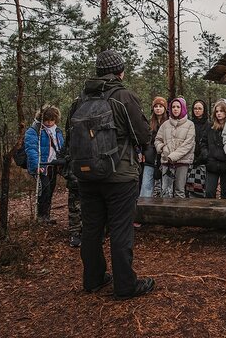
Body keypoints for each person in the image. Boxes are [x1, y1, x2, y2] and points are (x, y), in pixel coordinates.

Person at [69, 49, 154, 299]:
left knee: (91, 229)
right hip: (120, 176)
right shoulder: (123, 96)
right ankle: (125, 286)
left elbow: (71, 137)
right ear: (120, 71)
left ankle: (93, 279)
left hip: (86, 176)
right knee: (120, 230)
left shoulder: (80, 100)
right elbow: (143, 135)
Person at [24, 105, 64, 225]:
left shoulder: (57, 130)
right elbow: (31, 149)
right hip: (41, 166)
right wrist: (36, 165)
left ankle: (46, 216)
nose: (49, 122)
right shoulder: (34, 131)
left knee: (50, 190)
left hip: (53, 165)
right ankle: (40, 217)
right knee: (44, 190)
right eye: (46, 120)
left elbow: (61, 147)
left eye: (52, 120)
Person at [155, 97, 195, 199]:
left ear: (183, 108)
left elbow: (188, 144)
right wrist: (162, 148)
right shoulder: (165, 124)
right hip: (166, 162)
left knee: (179, 191)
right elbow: (157, 140)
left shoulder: (190, 124)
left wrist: (173, 156)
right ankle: (166, 214)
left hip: (182, 162)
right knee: (166, 191)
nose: (175, 109)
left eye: (178, 107)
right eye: (173, 107)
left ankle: (179, 214)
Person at [202, 99, 226, 199]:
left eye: (221, 111)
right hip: (212, 164)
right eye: (217, 111)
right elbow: (203, 142)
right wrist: (206, 155)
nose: (219, 113)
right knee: (209, 192)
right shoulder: (210, 126)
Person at [140, 97, 168, 198]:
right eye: (156, 106)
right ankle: (144, 208)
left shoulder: (168, 123)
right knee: (146, 186)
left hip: (164, 159)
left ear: (165, 108)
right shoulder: (149, 123)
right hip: (150, 158)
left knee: (165, 188)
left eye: (160, 106)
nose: (158, 108)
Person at [188, 99, 210, 197]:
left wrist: (203, 156)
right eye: (195, 108)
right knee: (190, 187)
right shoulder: (189, 123)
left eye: (200, 108)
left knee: (203, 188)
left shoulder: (209, 124)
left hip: (204, 161)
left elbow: (208, 142)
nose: (197, 111)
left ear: (204, 110)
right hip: (191, 158)